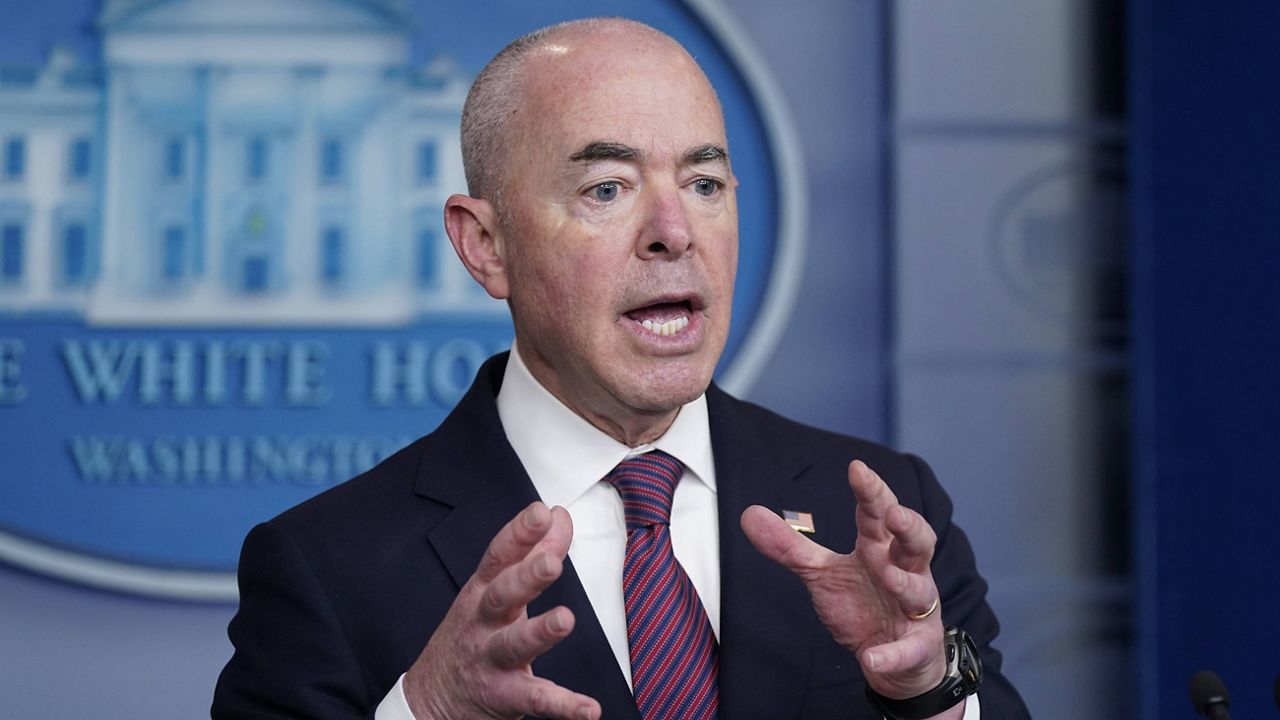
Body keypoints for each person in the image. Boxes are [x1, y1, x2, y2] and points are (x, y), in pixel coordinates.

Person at [213, 17, 1029, 720]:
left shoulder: (879, 514)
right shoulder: (329, 567)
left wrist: (925, 694)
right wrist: (425, 712)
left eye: (705, 182)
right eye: (608, 189)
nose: (674, 230)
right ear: (486, 245)